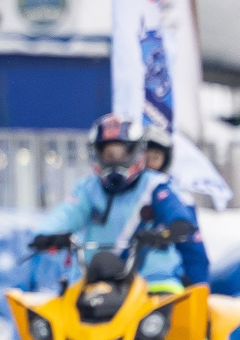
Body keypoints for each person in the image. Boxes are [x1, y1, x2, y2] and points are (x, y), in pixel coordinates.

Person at [28, 113, 209, 290]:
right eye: (109, 154)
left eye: (122, 153)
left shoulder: (155, 185)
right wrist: (46, 234)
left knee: (171, 310)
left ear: (136, 152)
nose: (115, 161)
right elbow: (68, 212)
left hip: (151, 281)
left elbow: (176, 213)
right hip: (93, 280)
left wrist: (170, 230)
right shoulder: (88, 188)